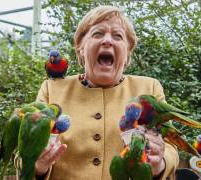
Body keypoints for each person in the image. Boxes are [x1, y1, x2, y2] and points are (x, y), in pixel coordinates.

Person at [34, 5, 179, 180]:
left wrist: (160, 163)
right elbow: (24, 150)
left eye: (118, 36)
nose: (107, 41)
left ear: (127, 52)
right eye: (98, 33)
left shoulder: (149, 89)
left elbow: (171, 146)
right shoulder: (52, 89)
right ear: (81, 46)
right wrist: (37, 165)